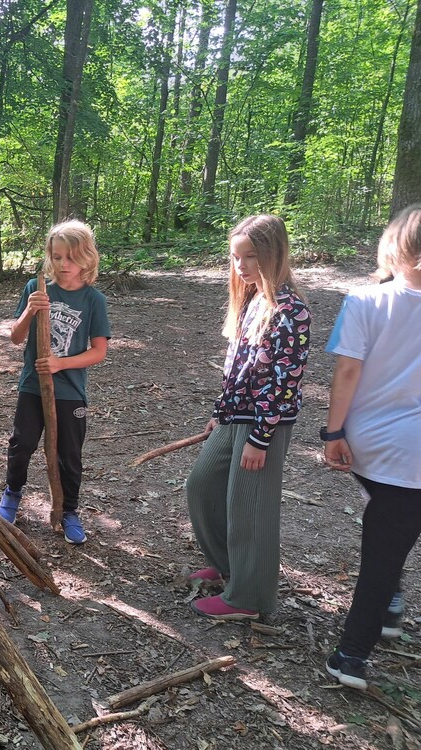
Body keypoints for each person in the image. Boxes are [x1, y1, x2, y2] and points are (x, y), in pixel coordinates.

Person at [185, 215, 311, 621]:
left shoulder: (290, 310)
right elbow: (236, 368)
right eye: (235, 257)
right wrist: (219, 413)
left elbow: (284, 382)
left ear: (273, 254)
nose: (240, 265)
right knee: (202, 484)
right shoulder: (253, 298)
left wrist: (260, 438)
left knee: (249, 507)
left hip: (263, 423)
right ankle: (230, 567)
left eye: (250, 256)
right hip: (235, 415)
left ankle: (249, 597)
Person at [322, 205, 421, 689]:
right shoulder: (366, 298)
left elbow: (348, 370)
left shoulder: (364, 301)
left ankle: (359, 645)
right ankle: (370, 632)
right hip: (404, 454)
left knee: (387, 542)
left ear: (394, 246)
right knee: (390, 538)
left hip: (375, 444)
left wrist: (333, 432)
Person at [0, 220, 110, 545]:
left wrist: (61, 363)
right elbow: (16, 337)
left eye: (70, 258)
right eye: (57, 257)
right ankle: (12, 494)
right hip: (33, 386)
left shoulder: (93, 300)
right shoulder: (37, 288)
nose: (63, 264)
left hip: (70, 391)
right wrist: (29, 312)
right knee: (22, 444)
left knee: (69, 454)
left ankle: (69, 510)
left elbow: (99, 351)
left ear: (86, 258)